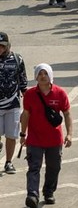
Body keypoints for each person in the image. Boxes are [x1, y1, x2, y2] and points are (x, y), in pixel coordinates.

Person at [19, 63, 71, 207]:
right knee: (34, 167)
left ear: (50, 76)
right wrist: (23, 134)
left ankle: (49, 192)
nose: (42, 76)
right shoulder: (29, 94)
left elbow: (67, 114)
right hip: (35, 139)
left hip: (54, 140)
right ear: (36, 76)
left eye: (45, 73)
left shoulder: (60, 93)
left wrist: (70, 134)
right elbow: (26, 115)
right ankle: (32, 195)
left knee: (54, 167)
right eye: (40, 74)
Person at [0, 31, 27, 174]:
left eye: (2, 46)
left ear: (7, 46)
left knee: (11, 135)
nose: (0, 48)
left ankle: (8, 162)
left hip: (13, 104)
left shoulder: (17, 59)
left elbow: (23, 81)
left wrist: (28, 101)